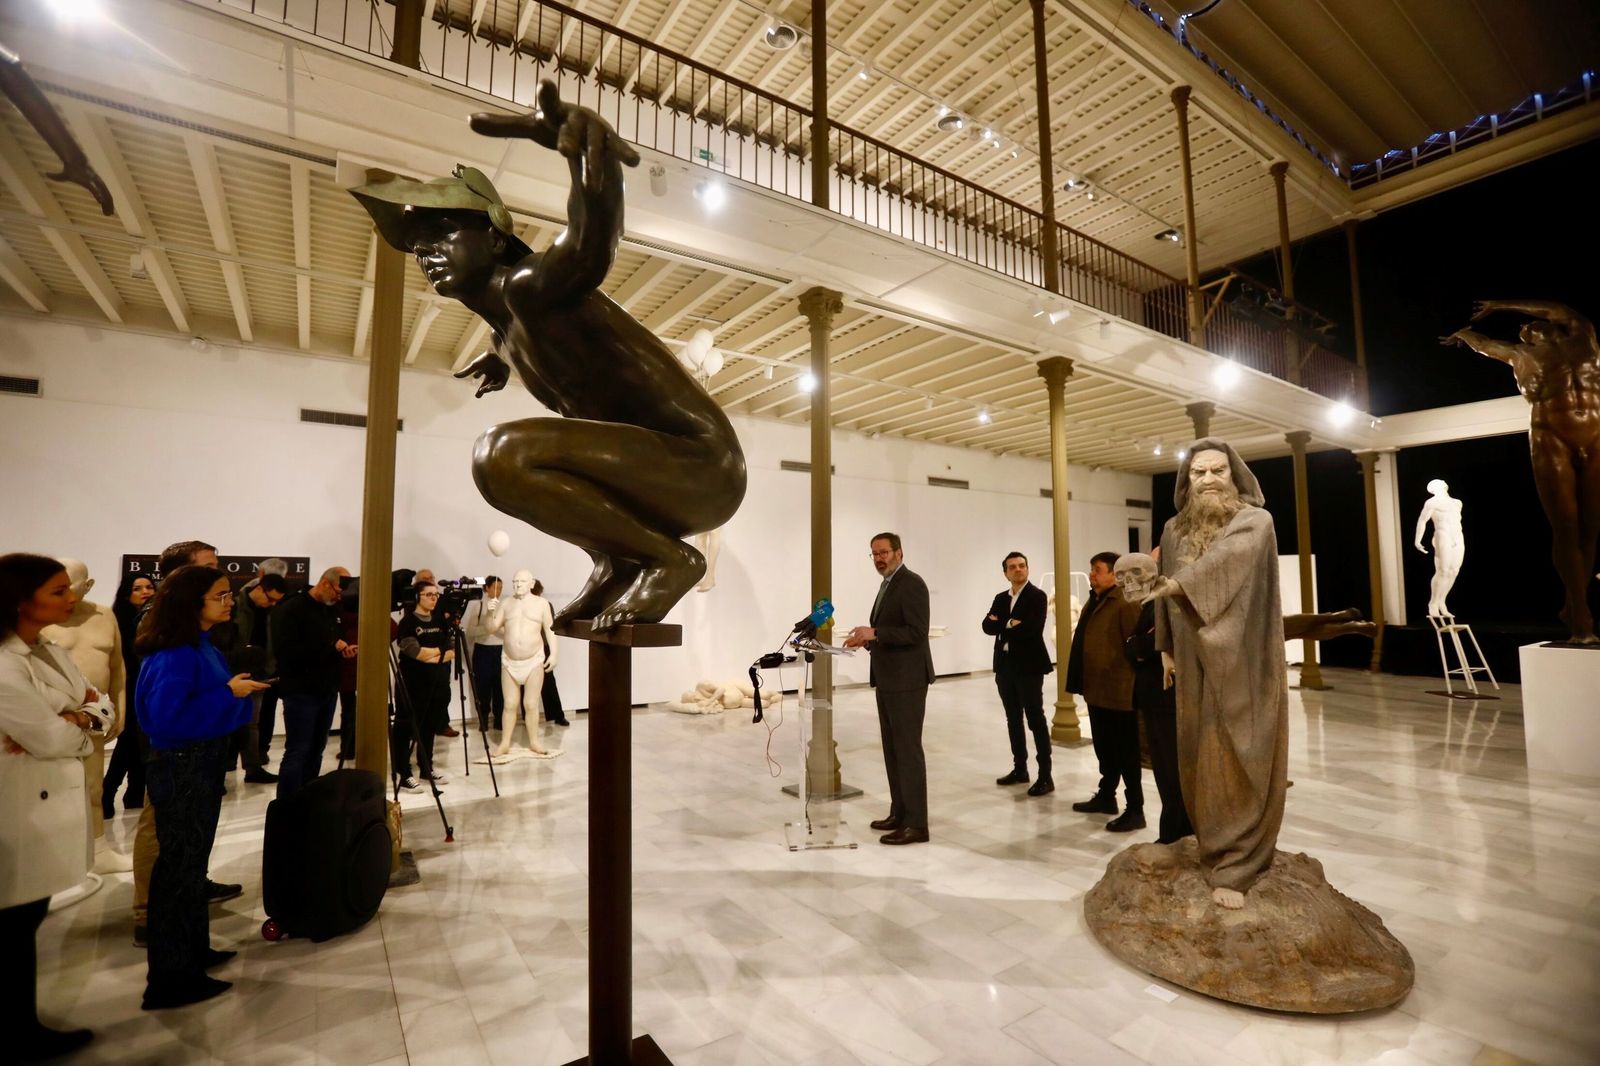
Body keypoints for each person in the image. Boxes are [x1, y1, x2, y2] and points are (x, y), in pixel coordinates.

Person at [352, 81, 746, 631]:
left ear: (493, 240)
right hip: (650, 472)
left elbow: (591, 243)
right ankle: (617, 558)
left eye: (442, 234)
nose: (427, 254)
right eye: (419, 247)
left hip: (703, 466)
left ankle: (668, 559)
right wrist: (501, 358)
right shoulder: (508, 331)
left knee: (501, 452)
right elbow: (539, 353)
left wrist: (593, 162)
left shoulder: (530, 286)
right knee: (512, 457)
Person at [1150, 440, 1289, 910]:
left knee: (1240, 747)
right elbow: (1167, 595)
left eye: (1218, 471)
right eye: (1198, 473)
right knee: (1197, 750)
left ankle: (1242, 858)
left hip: (1244, 657)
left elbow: (1226, 561)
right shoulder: (1173, 530)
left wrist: (1175, 584)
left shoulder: (1255, 521)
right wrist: (1166, 647)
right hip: (1189, 660)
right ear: (1186, 482)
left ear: (1235, 476)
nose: (1208, 479)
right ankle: (1211, 845)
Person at [135, 564, 269, 1008]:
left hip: (200, 762)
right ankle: (171, 977)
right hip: (182, 765)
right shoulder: (175, 653)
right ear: (192, 603)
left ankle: (192, 953)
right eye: (221, 595)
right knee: (179, 869)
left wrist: (231, 692)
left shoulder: (199, 645)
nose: (230, 602)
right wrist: (228, 694)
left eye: (229, 595)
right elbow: (164, 718)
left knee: (191, 866)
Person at [0, 553, 114, 1062]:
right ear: (21, 601)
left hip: (42, 798)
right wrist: (79, 722)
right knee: (12, 928)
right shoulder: (5, 665)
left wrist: (82, 718)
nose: (73, 599)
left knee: (24, 925)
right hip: (15, 809)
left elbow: (101, 702)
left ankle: (23, 1026)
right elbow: (47, 737)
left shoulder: (43, 648)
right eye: (59, 591)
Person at [1444, 300, 1600, 642]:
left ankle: (1573, 605)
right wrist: (1466, 333)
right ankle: (1582, 615)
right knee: (1567, 525)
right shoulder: (1519, 355)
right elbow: (1485, 345)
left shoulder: (1583, 340)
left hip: (1594, 433)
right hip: (1550, 436)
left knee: (1591, 525)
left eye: (1528, 324)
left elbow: (1563, 311)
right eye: (1523, 329)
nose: (1524, 328)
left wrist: (1501, 305)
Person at [132, 539, 229, 951]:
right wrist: (230, 694)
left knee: (187, 847)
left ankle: (185, 926)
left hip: (198, 747)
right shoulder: (170, 639)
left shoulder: (193, 639)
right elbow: (168, 706)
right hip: (178, 751)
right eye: (209, 574)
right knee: (165, 835)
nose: (226, 596)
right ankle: (150, 915)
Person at [844, 532, 934, 846]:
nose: (879, 558)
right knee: (893, 750)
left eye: (884, 552)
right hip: (888, 680)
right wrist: (868, 639)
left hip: (907, 682)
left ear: (899, 552)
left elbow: (916, 632)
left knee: (907, 752)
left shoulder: (911, 584)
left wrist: (876, 632)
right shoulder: (888, 585)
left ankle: (917, 825)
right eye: (874, 553)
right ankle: (900, 813)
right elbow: (888, 633)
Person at [1115, 552, 1192, 846]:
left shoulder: (1164, 604)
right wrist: (1138, 646)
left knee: (1171, 772)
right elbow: (1136, 647)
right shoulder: (1148, 608)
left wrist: (1138, 645)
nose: (1127, 583)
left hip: (1167, 699)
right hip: (1155, 699)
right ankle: (1174, 832)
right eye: (1121, 576)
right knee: (1164, 770)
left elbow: (1143, 646)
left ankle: (1175, 836)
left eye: (1135, 573)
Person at [1065, 550, 1144, 831]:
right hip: (1097, 690)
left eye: (1097, 570)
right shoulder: (1097, 599)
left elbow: (1136, 646)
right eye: (1092, 569)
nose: (1092, 574)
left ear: (1114, 574)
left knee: (1125, 752)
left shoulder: (1124, 602)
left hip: (1118, 692)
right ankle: (1106, 796)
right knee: (1105, 749)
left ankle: (1135, 809)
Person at [269, 567, 351, 798]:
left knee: (317, 749)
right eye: (337, 591)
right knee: (298, 750)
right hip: (301, 691)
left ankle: (308, 797)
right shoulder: (291, 608)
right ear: (325, 583)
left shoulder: (333, 610)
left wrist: (341, 649)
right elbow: (286, 651)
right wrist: (329, 646)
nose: (338, 597)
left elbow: (332, 641)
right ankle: (287, 804)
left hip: (327, 688)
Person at [982, 551, 1054, 796]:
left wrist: (1001, 624)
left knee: (1035, 719)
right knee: (1013, 718)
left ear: (1028, 569)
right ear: (1005, 573)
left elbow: (1032, 630)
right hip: (1005, 666)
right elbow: (986, 626)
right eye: (1012, 567)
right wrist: (1010, 623)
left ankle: (1045, 776)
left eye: (1022, 565)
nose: (1018, 570)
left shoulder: (1037, 596)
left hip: (1029, 666)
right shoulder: (1001, 598)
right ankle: (1020, 768)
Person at [103, 571, 155, 816]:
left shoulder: (154, 619)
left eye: (148, 587)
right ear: (127, 593)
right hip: (129, 684)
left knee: (140, 741)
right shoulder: (117, 620)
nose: (145, 591)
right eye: (138, 588)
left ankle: (134, 792)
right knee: (128, 740)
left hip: (147, 683)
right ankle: (107, 791)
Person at [394, 583, 455, 791]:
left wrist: (431, 655)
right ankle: (404, 772)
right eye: (429, 594)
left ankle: (426, 767)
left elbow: (452, 651)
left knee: (429, 726)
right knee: (405, 727)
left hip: (435, 682)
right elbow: (415, 653)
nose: (434, 598)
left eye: (436, 595)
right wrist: (438, 652)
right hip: (411, 683)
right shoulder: (408, 623)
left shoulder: (440, 620)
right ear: (417, 597)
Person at [227, 571, 286, 785]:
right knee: (228, 720)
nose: (271, 604)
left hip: (259, 672)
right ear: (259, 588)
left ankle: (252, 768)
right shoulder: (234, 607)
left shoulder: (272, 612)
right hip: (232, 673)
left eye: (276, 601)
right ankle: (227, 764)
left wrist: (269, 667)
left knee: (252, 722)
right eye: (270, 598)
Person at [461, 576, 505, 731]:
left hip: (501, 650)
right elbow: (471, 632)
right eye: (494, 587)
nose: (497, 591)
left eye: (500, 587)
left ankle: (499, 720)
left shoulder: (504, 606)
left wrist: (495, 628)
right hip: (482, 651)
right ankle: (483, 720)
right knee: (482, 688)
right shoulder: (479, 606)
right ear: (486, 588)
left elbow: (509, 632)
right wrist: (489, 627)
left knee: (501, 688)